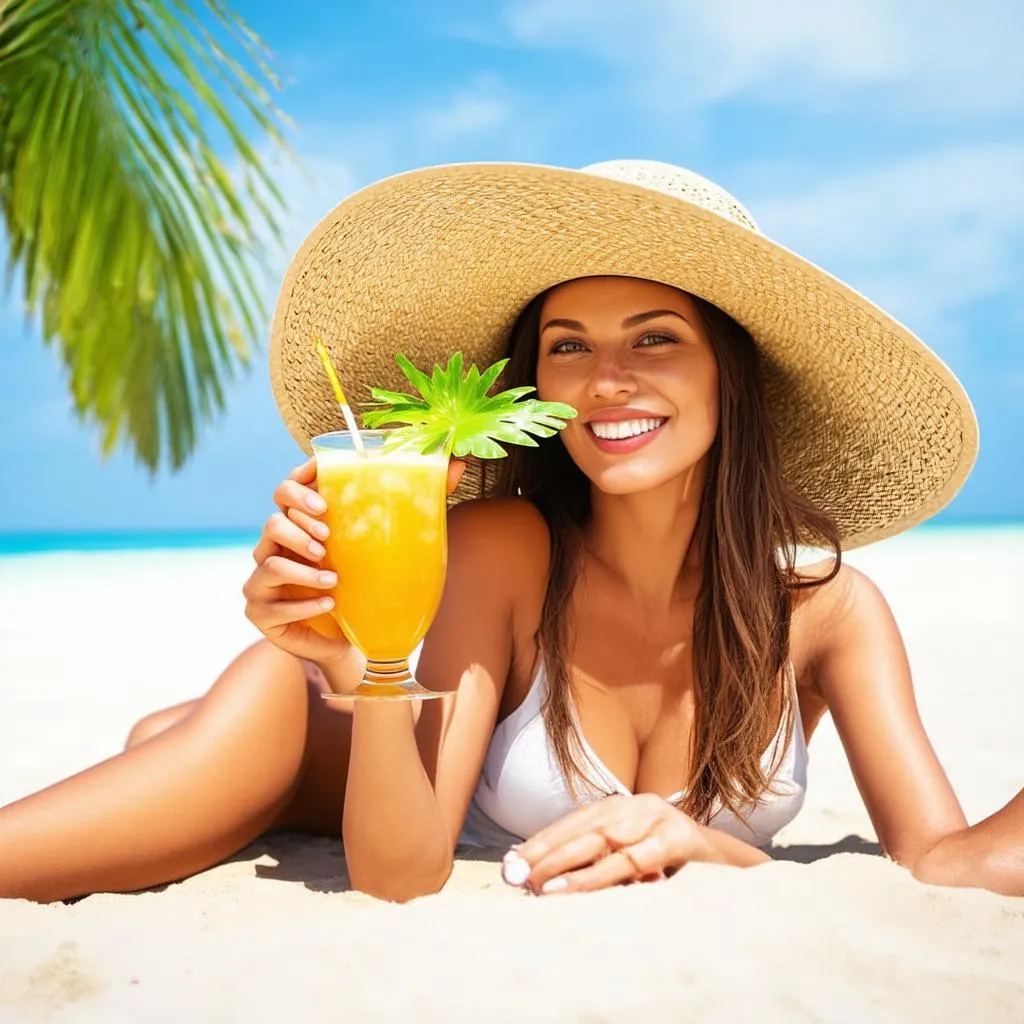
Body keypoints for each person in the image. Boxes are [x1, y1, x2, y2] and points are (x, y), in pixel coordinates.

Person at [0, 160, 1019, 905]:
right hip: (308, 722)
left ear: (729, 376)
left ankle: (170, 741)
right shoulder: (502, 547)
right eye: (566, 345)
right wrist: (372, 668)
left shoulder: (828, 612)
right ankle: (193, 740)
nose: (605, 379)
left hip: (371, 755)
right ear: (536, 386)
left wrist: (717, 849)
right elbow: (400, 877)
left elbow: (941, 863)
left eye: (655, 338)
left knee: (156, 755)